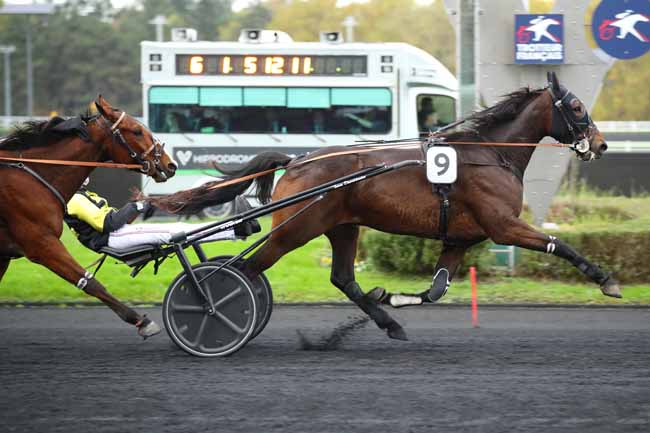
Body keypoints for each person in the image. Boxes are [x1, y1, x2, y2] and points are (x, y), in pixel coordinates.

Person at [64, 179, 259, 252]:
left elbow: (114, 219)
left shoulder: (80, 196)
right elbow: (109, 223)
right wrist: (138, 205)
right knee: (176, 231)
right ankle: (236, 229)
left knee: (178, 229)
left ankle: (235, 228)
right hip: (113, 237)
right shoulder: (75, 199)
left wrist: (140, 207)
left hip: (117, 235)